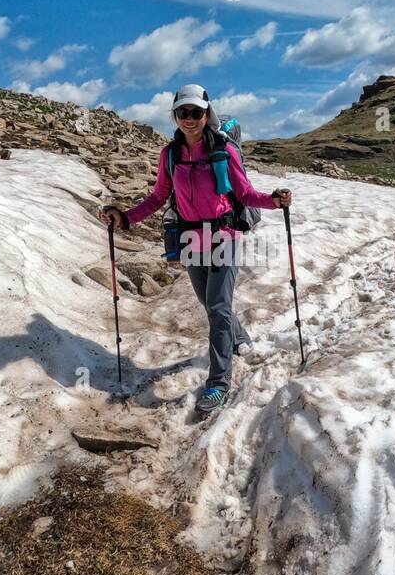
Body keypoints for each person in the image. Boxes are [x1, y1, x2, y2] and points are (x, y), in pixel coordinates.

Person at [99, 84, 291, 413]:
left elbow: (244, 194)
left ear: (206, 113)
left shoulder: (223, 151)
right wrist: (125, 219)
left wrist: (274, 202)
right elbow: (159, 197)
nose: (189, 119)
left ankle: (218, 382)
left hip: (224, 235)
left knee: (217, 307)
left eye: (196, 113)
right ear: (174, 115)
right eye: (182, 113)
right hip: (190, 239)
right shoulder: (170, 155)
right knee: (210, 304)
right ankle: (240, 338)